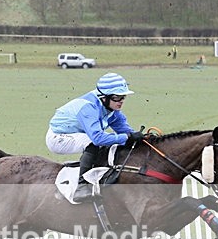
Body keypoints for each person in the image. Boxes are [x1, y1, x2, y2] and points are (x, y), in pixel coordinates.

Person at [46, 72, 144, 203]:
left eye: (123, 97)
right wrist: (126, 137)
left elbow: (127, 133)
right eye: (116, 97)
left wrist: (141, 138)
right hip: (58, 137)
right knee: (93, 143)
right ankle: (81, 187)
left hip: (78, 135)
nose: (121, 101)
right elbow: (98, 138)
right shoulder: (88, 107)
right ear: (104, 97)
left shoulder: (112, 110)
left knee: (112, 144)